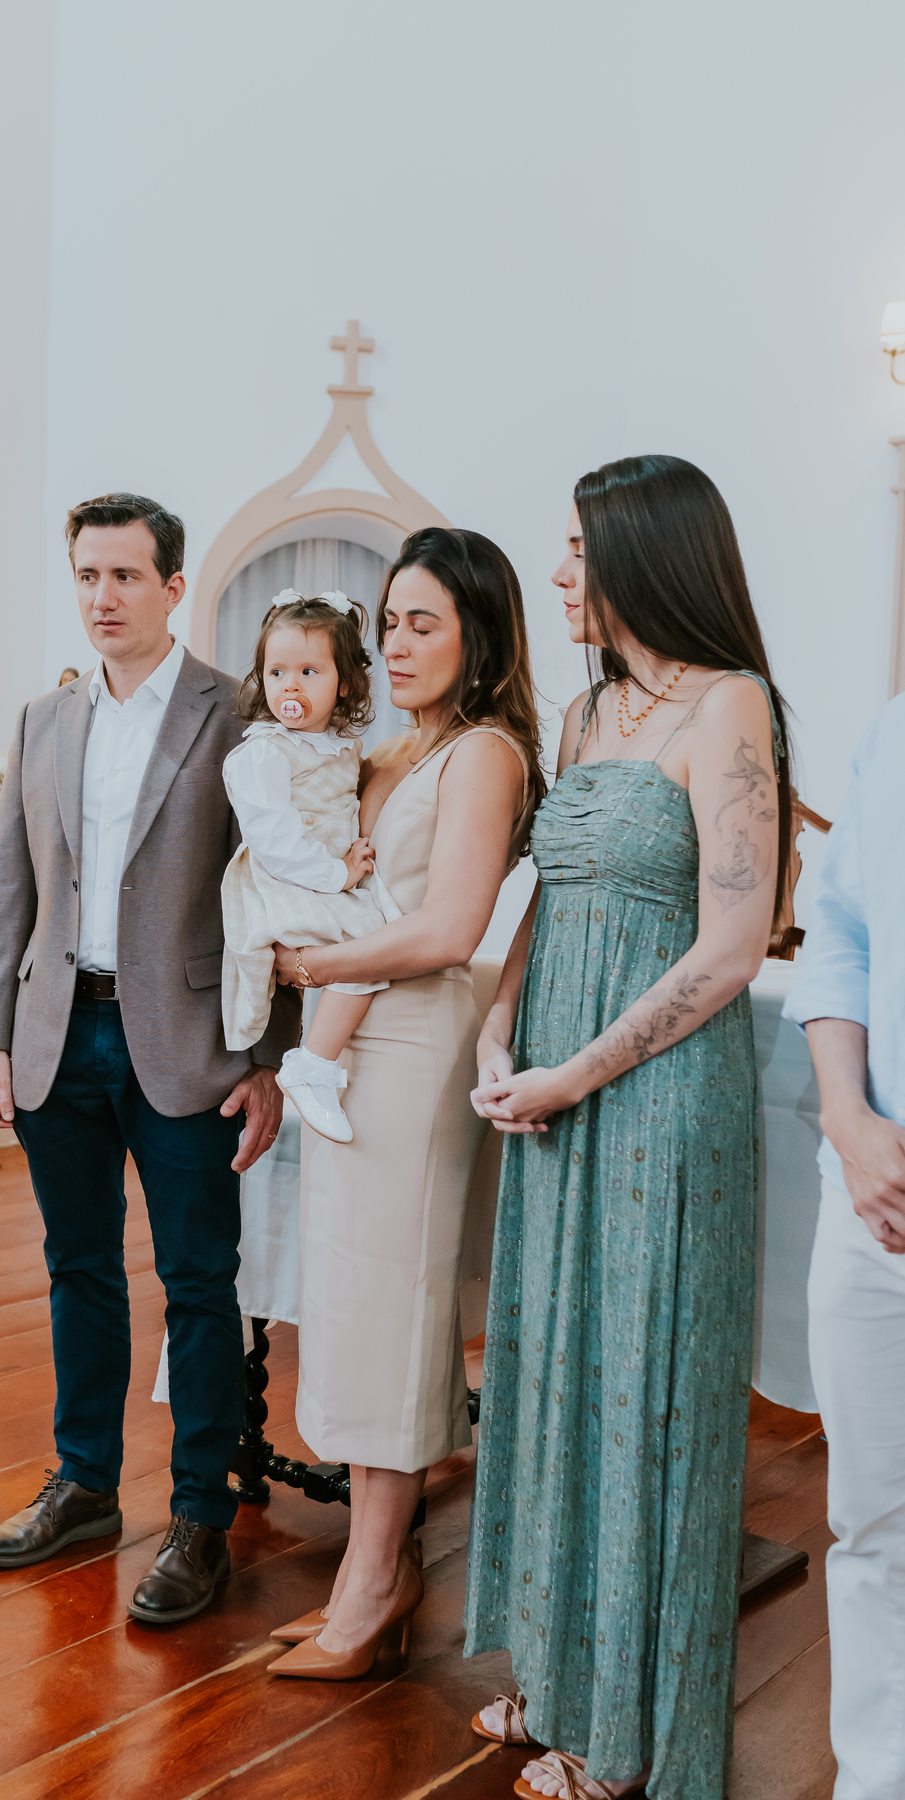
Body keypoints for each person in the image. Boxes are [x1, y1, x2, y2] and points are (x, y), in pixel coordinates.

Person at [464, 455, 791, 1800]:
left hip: (659, 1094)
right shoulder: (588, 712)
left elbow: (731, 947)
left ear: (647, 557)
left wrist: (576, 1073)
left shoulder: (731, 706)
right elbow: (549, 891)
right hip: (552, 1074)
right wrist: (499, 1027)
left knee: (641, 1385)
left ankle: (628, 1731)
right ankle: (556, 1676)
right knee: (554, 1368)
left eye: (578, 552)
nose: (557, 575)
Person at [0, 492, 299, 1627]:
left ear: (172, 587)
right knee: (79, 1267)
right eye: (86, 576)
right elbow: (11, 890)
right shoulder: (42, 719)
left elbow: (275, 892)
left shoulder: (237, 714)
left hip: (190, 1045)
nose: (101, 598)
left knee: (200, 1282)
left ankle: (201, 1513)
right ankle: (85, 1486)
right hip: (57, 1038)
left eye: (124, 577)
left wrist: (268, 1056)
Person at [262, 527, 545, 1680]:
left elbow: (449, 927)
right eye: (389, 622)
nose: (399, 642)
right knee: (352, 1298)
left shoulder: (483, 754)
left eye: (425, 621)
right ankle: (377, 1566)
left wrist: (313, 966)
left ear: (480, 632)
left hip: (416, 1045)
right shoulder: (389, 750)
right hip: (354, 1046)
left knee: (391, 1301)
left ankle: (374, 1582)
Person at [782, 697, 905, 1800]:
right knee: (871, 1517)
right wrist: (847, 1117)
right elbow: (843, 941)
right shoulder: (896, 734)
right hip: (871, 1189)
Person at [222, 587, 401, 1141]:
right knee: (369, 948)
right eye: (276, 673)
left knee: (380, 940)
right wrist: (338, 874)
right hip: (289, 880)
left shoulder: (342, 746)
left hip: (327, 877)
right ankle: (314, 1063)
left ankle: (318, 1058)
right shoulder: (263, 751)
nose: (290, 687)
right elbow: (274, 842)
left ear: (344, 683)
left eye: (308, 671)